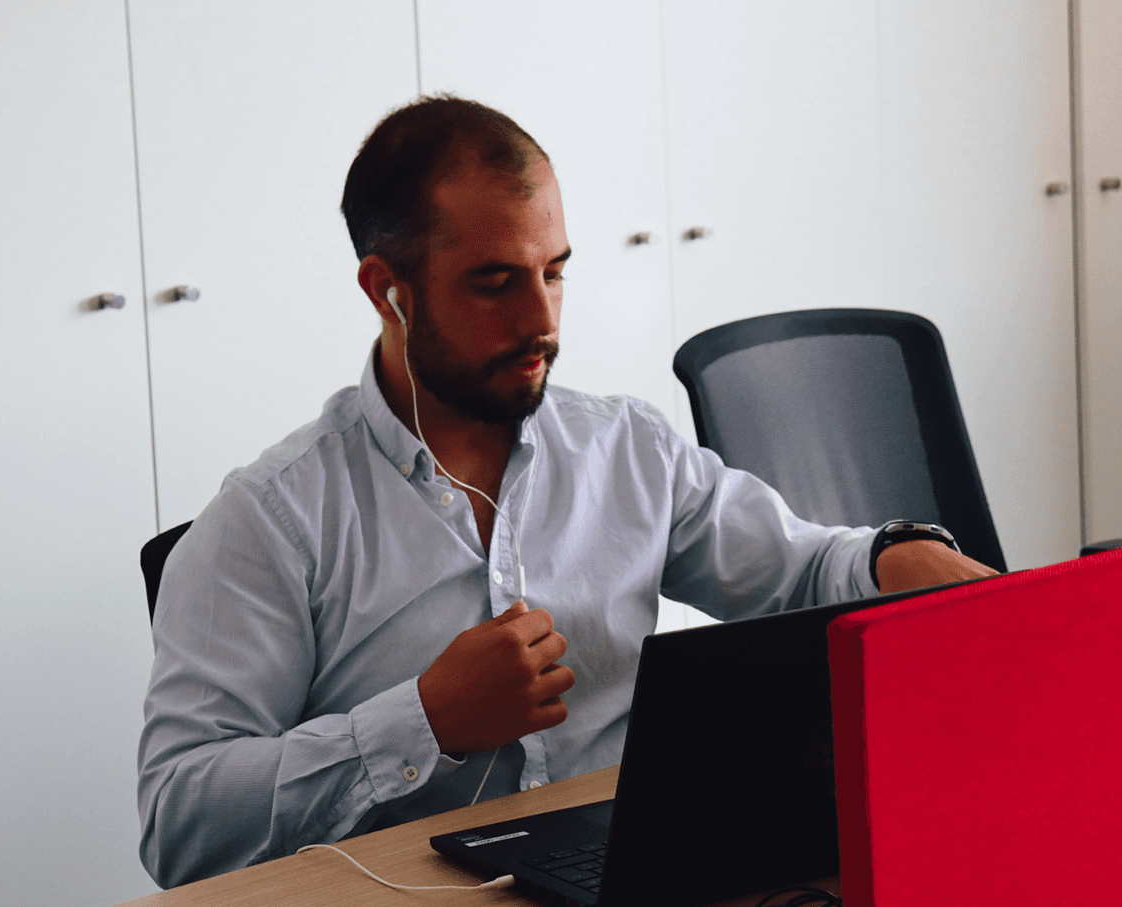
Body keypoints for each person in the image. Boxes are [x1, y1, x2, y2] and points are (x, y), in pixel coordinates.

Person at [136, 95, 994, 889]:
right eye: (494, 281)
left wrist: (892, 556)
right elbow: (180, 820)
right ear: (386, 291)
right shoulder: (271, 518)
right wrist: (424, 721)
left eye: (554, 271)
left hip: (632, 874)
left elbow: (798, 571)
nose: (541, 319)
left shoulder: (626, 445)